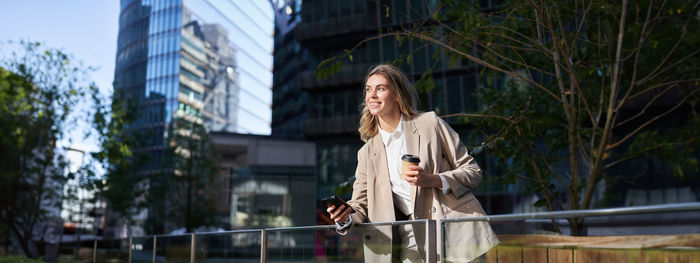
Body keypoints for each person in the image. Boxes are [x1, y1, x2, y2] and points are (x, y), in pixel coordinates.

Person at [326, 64, 499, 262]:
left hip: (454, 231)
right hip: (408, 241)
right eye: (368, 89)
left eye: (380, 88)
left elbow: (473, 171)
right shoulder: (367, 153)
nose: (372, 95)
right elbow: (360, 204)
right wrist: (345, 217)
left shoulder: (429, 123)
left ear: (398, 95)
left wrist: (433, 180)